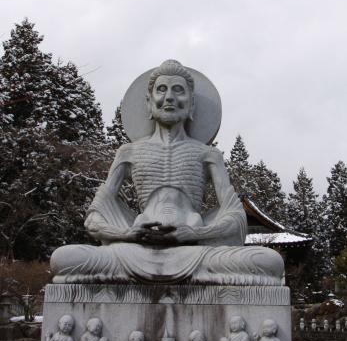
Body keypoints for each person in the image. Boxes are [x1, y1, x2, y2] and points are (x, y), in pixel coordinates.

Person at [50, 60, 284, 286]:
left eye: (178, 90)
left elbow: (235, 218)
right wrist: (128, 234)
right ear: (149, 102)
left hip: (194, 251)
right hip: (135, 249)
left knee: (268, 261)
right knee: (64, 258)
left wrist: (195, 233)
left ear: (191, 104)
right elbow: (94, 219)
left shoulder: (207, 154)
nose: (170, 97)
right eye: (161, 89)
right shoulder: (128, 152)